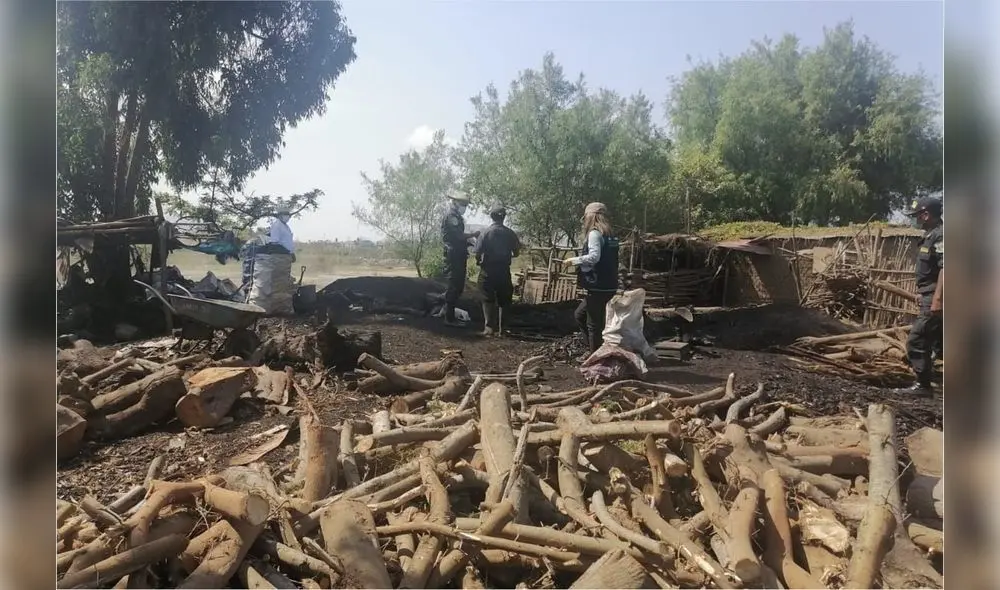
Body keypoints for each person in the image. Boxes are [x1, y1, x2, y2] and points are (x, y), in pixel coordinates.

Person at [560, 202, 620, 356]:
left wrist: (572, 260)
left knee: (593, 324)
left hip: (597, 285)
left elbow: (594, 257)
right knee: (580, 315)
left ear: (591, 216)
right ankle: (597, 351)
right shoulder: (611, 235)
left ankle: (596, 359)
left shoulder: (595, 234)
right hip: (609, 285)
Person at [898, 196, 944, 395]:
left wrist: (937, 298)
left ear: (926, 215)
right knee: (936, 342)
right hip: (930, 294)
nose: (914, 219)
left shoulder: (941, 235)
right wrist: (925, 293)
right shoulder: (931, 235)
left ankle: (923, 386)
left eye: (916, 215)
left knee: (916, 340)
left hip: (937, 297)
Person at [475, 206, 521, 336]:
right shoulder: (510, 233)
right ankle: (504, 329)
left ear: (492, 217)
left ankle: (489, 328)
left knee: (487, 298)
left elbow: (478, 252)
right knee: (505, 300)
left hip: (487, 271)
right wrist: (506, 256)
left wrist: (479, 261)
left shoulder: (486, 232)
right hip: (503, 271)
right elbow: (517, 252)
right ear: (504, 217)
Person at [440, 191, 479, 326]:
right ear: (455, 203)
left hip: (458, 254)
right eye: (463, 204)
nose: (465, 208)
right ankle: (449, 318)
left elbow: (457, 238)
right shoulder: (451, 216)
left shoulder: (456, 216)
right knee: (454, 286)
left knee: (458, 286)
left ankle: (446, 312)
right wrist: (473, 235)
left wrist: (469, 242)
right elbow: (458, 236)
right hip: (454, 255)